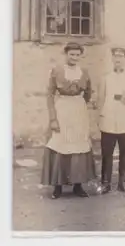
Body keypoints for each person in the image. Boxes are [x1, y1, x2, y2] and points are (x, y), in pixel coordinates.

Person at [41, 42, 96, 199]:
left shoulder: (84, 72)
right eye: (71, 54)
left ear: (80, 56)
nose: (74, 57)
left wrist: (82, 104)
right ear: (66, 54)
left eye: (77, 55)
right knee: (60, 144)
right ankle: (57, 187)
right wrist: (53, 118)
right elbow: (50, 95)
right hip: (62, 109)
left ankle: (78, 186)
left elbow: (88, 92)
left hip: (78, 110)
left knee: (78, 144)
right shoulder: (57, 71)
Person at [97, 45, 125, 194]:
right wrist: (100, 117)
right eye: (115, 56)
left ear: (124, 59)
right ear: (112, 59)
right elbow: (100, 99)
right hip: (108, 120)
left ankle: (123, 183)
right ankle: (105, 183)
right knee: (107, 153)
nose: (118, 59)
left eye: (121, 57)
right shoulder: (105, 78)